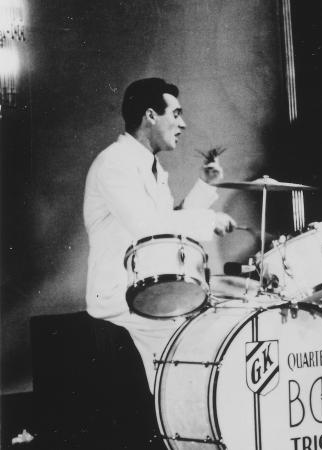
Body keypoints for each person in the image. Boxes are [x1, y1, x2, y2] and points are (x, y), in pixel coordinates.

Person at [83, 78, 236, 391]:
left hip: (148, 294)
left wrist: (205, 186)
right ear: (151, 115)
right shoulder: (114, 163)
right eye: (176, 114)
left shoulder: (148, 166)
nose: (183, 123)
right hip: (119, 299)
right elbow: (148, 226)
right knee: (200, 347)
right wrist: (209, 220)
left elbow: (167, 223)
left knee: (218, 325)